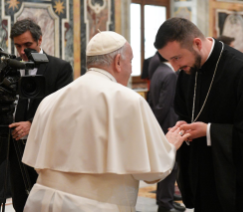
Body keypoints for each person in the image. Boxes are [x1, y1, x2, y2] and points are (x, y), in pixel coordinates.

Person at [21, 31, 190, 212]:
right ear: (118, 61)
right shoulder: (128, 100)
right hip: (93, 206)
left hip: (40, 202)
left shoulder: (50, 100)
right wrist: (170, 146)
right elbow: (152, 173)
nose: (132, 69)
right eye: (130, 61)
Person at [154, 17, 243, 212]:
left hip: (237, 189)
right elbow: (184, 112)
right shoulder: (187, 73)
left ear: (197, 43)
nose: (174, 66)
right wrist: (183, 128)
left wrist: (209, 131)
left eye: (176, 58)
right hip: (204, 181)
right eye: (169, 60)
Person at [0, 19, 73, 212]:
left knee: (45, 202)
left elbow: (63, 108)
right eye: (17, 46)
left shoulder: (60, 68)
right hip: (15, 148)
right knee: (19, 201)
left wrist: (32, 124)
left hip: (45, 149)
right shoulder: (10, 68)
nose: (22, 51)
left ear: (40, 40)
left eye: (28, 45)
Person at [148, 52, 185, 212]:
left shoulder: (158, 70)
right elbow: (165, 104)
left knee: (163, 164)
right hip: (167, 125)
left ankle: (163, 199)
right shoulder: (170, 74)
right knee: (170, 167)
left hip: (160, 124)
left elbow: (153, 100)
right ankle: (166, 203)